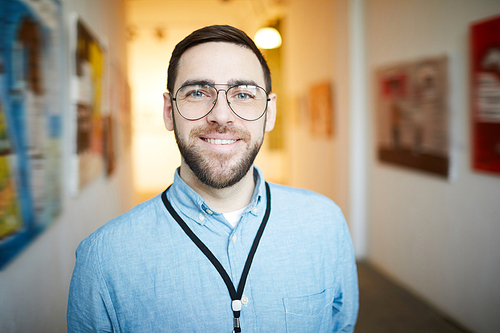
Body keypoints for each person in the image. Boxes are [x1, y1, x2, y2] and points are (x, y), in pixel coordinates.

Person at [67, 25, 358, 333]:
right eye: (197, 92)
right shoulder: (103, 258)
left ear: (269, 113)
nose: (221, 115)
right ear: (169, 111)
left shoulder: (326, 224)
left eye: (243, 94)